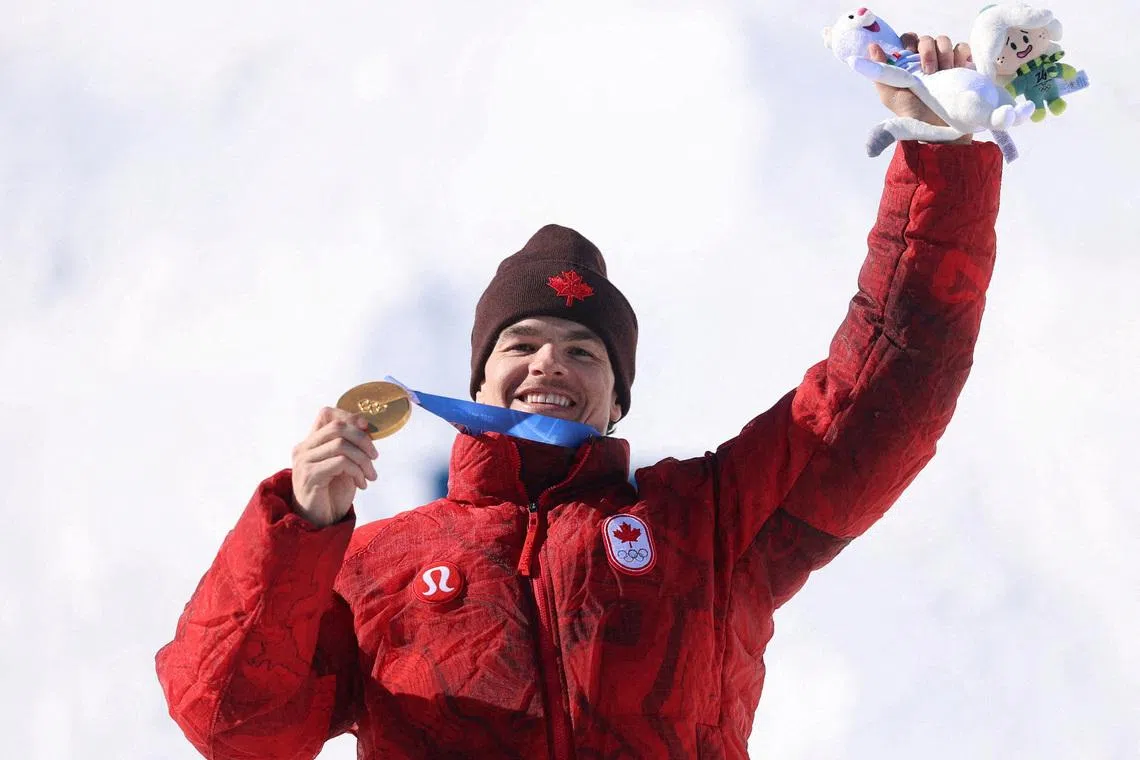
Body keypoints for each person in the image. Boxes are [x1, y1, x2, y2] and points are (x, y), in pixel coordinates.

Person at [157, 35, 1001, 760]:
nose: (549, 364)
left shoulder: (708, 525)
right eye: (519, 346)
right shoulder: (375, 563)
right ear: (477, 383)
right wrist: (298, 528)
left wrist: (942, 161)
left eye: (584, 351)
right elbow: (232, 725)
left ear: (616, 400)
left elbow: (886, 385)